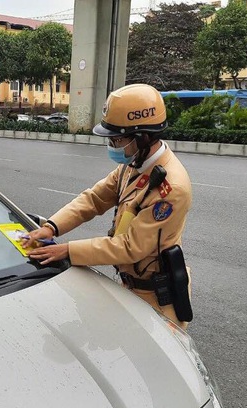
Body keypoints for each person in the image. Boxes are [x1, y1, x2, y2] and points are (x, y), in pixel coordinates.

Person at [21, 84, 193, 329]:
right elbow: (94, 199)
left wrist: (67, 251)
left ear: (142, 136)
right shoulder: (132, 165)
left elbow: (131, 247)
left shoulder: (171, 187)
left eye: (117, 139)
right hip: (130, 287)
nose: (112, 145)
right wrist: (51, 227)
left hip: (157, 300)